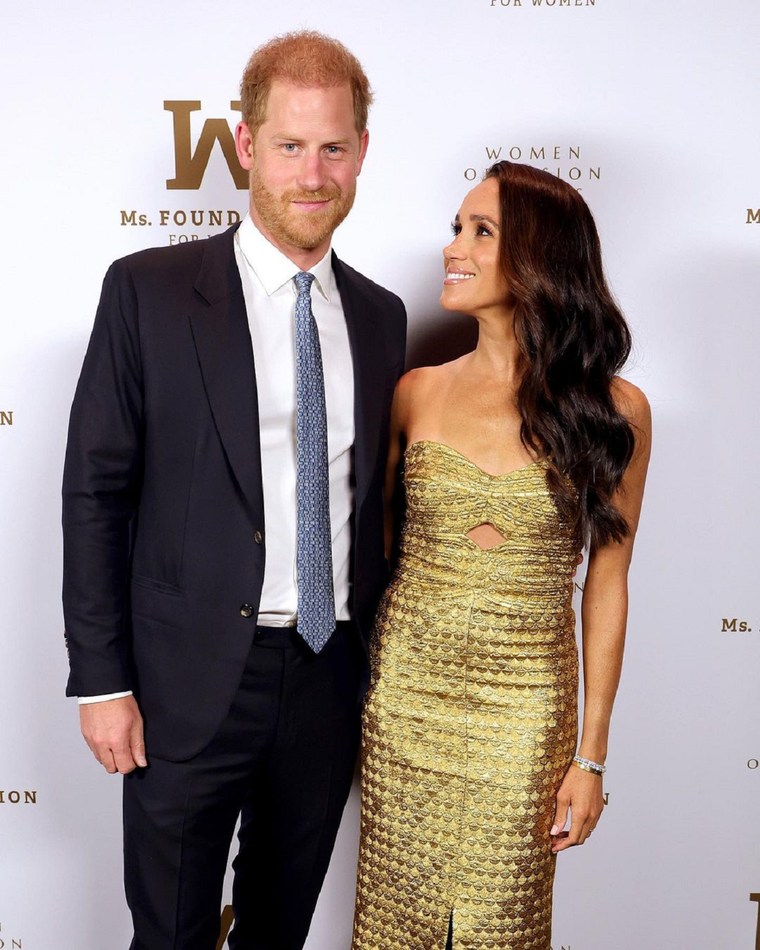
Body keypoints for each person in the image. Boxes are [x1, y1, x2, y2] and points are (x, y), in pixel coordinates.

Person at [62, 30, 406, 950]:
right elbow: (97, 492)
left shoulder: (380, 316)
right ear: (246, 147)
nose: (313, 173)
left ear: (362, 153)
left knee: (278, 932)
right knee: (170, 935)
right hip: (183, 683)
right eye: (290, 146)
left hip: (328, 679)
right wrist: (101, 679)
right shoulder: (149, 291)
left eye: (334, 147)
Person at [351, 160, 651, 949]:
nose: (454, 247)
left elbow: (608, 583)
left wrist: (591, 759)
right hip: (407, 703)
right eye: (457, 228)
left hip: (524, 708)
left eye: (482, 232)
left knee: (501, 929)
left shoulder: (616, 410)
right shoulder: (413, 391)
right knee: (393, 926)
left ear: (538, 259)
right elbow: (373, 553)